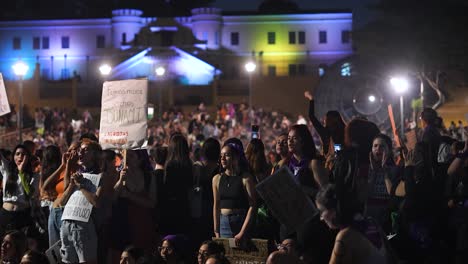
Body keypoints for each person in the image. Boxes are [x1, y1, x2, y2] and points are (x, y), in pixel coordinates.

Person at [316, 184, 389, 264]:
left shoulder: (345, 236)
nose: (321, 218)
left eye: (321, 211)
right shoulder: (371, 221)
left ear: (333, 211)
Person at [59, 140, 103, 264]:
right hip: (66, 224)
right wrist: (72, 185)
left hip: (83, 226)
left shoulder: (100, 176)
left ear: (95, 155)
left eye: (86, 149)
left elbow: (96, 202)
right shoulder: (77, 175)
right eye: (80, 150)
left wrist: (82, 186)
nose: (80, 152)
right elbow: (62, 202)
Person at [212, 142, 256, 244]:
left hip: (240, 222)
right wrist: (216, 230)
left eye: (226, 155)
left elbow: (253, 205)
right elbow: (216, 205)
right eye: (221, 156)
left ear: (236, 158)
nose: (222, 158)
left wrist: (242, 232)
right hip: (223, 223)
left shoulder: (246, 178)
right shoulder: (216, 179)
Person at [41, 142, 79, 247]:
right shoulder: (63, 169)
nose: (71, 152)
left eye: (75, 150)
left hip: (66, 213)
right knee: (54, 250)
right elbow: (45, 185)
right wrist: (63, 166)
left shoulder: (78, 171)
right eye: (70, 150)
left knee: (66, 250)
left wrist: (68, 167)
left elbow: (67, 187)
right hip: (54, 212)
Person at [0, 145, 40, 236]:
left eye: (23, 154)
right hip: (5, 214)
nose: (20, 156)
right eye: (17, 154)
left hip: (22, 216)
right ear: (13, 156)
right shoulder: (7, 170)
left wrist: (21, 172)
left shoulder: (35, 176)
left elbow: (31, 194)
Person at [159, 133, 192, 236]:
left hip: (171, 207)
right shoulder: (189, 165)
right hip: (185, 205)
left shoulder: (170, 166)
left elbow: (166, 187)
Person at [304, 91, 345, 156]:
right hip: (343, 161)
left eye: (325, 119)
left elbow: (311, 116)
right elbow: (339, 149)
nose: (324, 121)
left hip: (329, 162)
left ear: (330, 120)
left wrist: (311, 99)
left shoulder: (325, 132)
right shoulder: (345, 130)